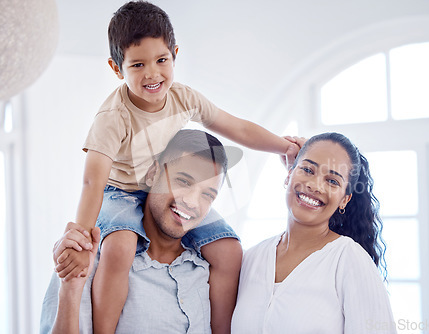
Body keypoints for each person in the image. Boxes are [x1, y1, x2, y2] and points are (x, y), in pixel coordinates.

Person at [59, 2, 299, 333]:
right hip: (122, 193)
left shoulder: (184, 98)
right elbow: (92, 182)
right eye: (138, 65)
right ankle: (104, 328)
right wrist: (81, 238)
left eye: (161, 60)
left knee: (229, 250)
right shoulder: (113, 117)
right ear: (117, 68)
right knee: (119, 247)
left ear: (175, 54)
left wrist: (284, 146)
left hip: (168, 187)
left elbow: (238, 128)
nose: (152, 74)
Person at [41, 129, 236, 333]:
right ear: (153, 174)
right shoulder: (89, 261)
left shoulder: (206, 270)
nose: (191, 202)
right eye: (183, 181)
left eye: (207, 195)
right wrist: (70, 291)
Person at [231, 132, 397, 334]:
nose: (314, 185)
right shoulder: (252, 258)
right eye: (308, 169)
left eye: (332, 181)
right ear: (289, 174)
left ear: (344, 199)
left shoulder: (349, 259)